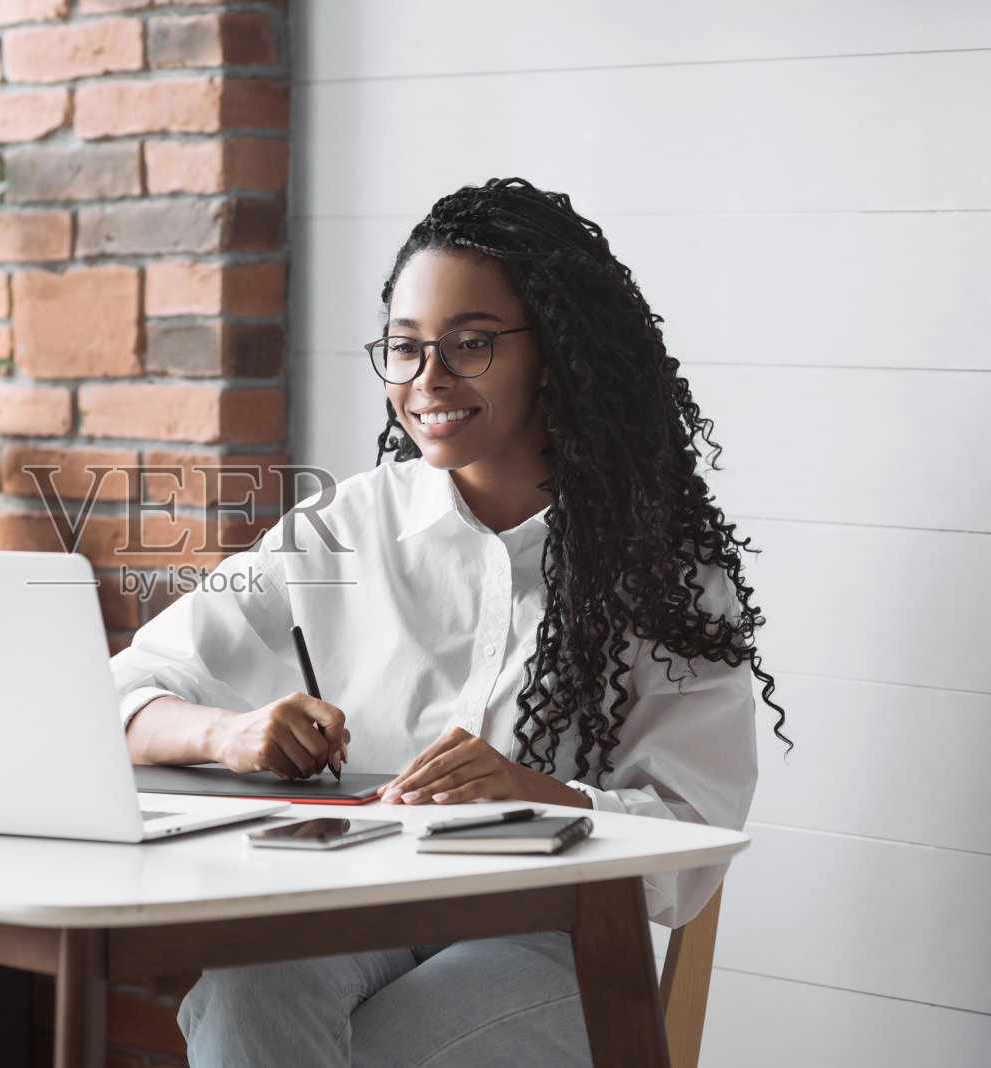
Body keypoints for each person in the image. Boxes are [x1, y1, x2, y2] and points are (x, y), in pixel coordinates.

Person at [108, 177, 790, 1067]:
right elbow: (124, 689)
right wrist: (233, 733)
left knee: (375, 1049)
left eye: (469, 344)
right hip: (359, 909)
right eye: (404, 348)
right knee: (247, 984)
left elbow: (693, 846)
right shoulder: (343, 527)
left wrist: (534, 793)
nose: (428, 380)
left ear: (555, 351)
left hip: (553, 944)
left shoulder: (660, 572)